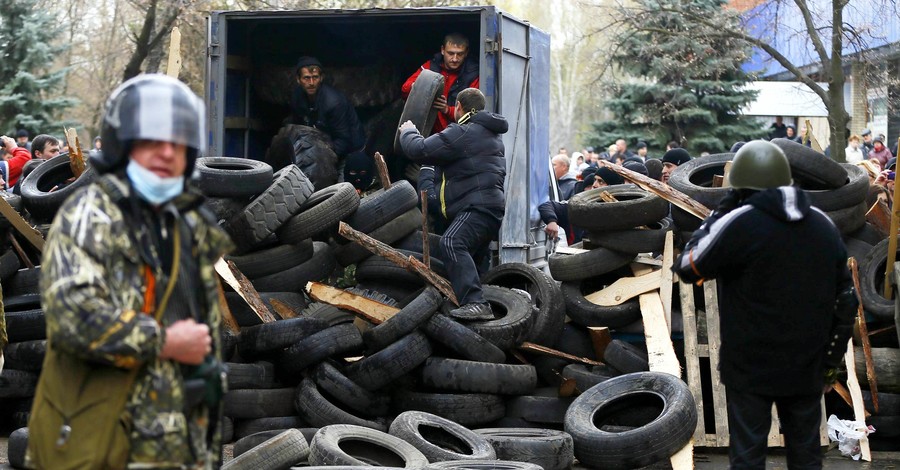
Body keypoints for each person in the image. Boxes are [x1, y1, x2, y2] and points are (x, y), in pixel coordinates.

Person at [28, 74, 232, 468]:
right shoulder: (91, 215)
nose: (164, 153)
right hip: (96, 442)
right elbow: (74, 315)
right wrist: (163, 342)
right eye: (149, 141)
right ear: (123, 147)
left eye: (176, 142)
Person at [673, 140, 856, 469]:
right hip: (806, 365)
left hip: (750, 365)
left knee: (748, 455)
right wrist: (830, 361)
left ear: (741, 185)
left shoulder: (739, 222)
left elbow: (688, 265)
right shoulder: (823, 225)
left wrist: (720, 211)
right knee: (806, 454)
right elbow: (846, 300)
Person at [399, 87, 506, 321]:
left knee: (451, 243)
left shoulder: (463, 132)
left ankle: (477, 303)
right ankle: (485, 320)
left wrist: (408, 131)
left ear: (458, 106)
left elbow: (419, 149)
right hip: (490, 208)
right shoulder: (490, 134)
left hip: (477, 208)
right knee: (472, 263)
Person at [288, 56, 371, 190]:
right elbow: (298, 130)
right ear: (298, 80)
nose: (311, 82)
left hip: (348, 150)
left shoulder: (333, 102)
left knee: (341, 193)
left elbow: (344, 141)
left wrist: (320, 159)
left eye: (315, 77)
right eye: (306, 78)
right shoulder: (297, 98)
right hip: (321, 145)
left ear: (321, 78)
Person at [402, 32, 479, 135]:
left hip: (458, 136)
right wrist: (422, 89)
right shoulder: (430, 66)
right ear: (443, 50)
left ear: (466, 53)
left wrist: (447, 109)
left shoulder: (473, 75)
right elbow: (405, 89)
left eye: (459, 54)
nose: (455, 59)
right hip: (429, 134)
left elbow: (473, 113)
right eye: (451, 53)